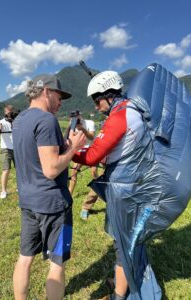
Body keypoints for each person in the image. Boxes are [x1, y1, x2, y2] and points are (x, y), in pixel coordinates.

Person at [72, 70, 159, 300]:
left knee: (123, 244)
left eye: (98, 100)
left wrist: (69, 151)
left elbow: (92, 156)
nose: (96, 105)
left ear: (110, 94)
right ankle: (126, 278)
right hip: (135, 184)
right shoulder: (131, 109)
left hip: (124, 189)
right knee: (128, 239)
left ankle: (119, 296)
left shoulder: (119, 117)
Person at [12, 74, 86, 300]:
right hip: (53, 204)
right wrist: (73, 148)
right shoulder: (47, 120)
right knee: (57, 263)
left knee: (25, 258)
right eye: (59, 96)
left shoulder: (19, 120)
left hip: (28, 201)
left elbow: (36, 156)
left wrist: (62, 146)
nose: (61, 102)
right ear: (46, 92)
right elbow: (52, 169)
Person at [67, 111, 99, 220]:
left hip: (90, 150)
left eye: (77, 117)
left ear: (81, 116)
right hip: (80, 150)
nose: (76, 119)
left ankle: (98, 191)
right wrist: (71, 127)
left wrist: (82, 129)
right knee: (73, 173)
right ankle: (69, 195)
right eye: (73, 118)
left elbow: (91, 137)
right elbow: (69, 138)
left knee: (94, 173)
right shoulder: (73, 125)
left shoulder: (90, 122)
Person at [0, 105, 15, 199]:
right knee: (6, 170)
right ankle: (3, 191)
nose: (10, 114)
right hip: (6, 149)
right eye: (8, 112)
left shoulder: (16, 121)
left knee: (20, 170)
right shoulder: (1, 122)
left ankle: (20, 187)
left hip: (17, 148)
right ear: (5, 112)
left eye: (11, 112)